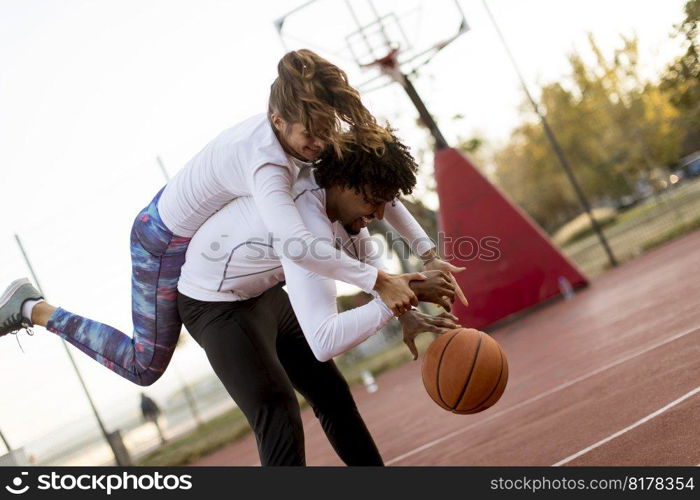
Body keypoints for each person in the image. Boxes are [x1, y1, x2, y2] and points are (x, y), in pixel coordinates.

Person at [0, 49, 466, 386]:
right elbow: (298, 245)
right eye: (310, 135)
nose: (320, 145)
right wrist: (380, 281)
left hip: (205, 237)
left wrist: (428, 252)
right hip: (161, 240)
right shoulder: (264, 161)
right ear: (278, 119)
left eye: (326, 133)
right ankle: (34, 309)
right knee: (145, 366)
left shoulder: (309, 133)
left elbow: (379, 187)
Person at [177, 131, 461, 465]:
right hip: (213, 304)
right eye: (374, 200)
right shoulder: (305, 227)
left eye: (385, 202)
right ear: (344, 184)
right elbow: (323, 341)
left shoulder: (343, 200)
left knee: (333, 395)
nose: (381, 213)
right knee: (279, 411)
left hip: (261, 292)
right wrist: (400, 297)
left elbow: (381, 278)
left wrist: (406, 306)